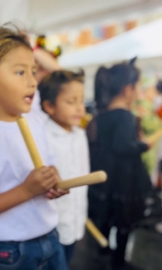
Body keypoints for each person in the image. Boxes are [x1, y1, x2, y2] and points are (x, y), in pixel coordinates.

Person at [0, 25, 69, 270]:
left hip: (50, 234)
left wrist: (52, 181)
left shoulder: (34, 118)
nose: (32, 81)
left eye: (33, 71)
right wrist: (27, 190)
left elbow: (46, 165)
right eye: (20, 72)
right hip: (11, 249)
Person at [87, 60, 153, 269]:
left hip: (106, 181)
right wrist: (145, 144)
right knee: (124, 224)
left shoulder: (102, 114)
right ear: (128, 89)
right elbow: (124, 147)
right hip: (123, 181)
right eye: (138, 87)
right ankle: (118, 261)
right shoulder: (124, 115)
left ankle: (103, 254)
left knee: (106, 222)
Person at [39, 70, 89, 265]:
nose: (79, 108)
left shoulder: (80, 134)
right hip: (52, 223)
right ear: (49, 106)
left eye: (81, 101)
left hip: (75, 215)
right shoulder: (43, 137)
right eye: (71, 102)